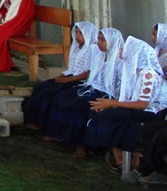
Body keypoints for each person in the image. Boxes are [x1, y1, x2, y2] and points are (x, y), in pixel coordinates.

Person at [86, 37, 167, 175]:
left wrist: (112, 103)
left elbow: (143, 104)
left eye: (125, 48)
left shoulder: (148, 74)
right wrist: (107, 103)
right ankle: (119, 158)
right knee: (99, 110)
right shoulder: (135, 71)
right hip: (139, 108)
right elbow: (130, 98)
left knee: (110, 115)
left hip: (151, 112)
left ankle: (125, 160)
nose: (121, 51)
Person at [44, 28, 123, 157]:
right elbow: (93, 76)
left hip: (106, 94)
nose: (99, 42)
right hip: (92, 87)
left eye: (103, 40)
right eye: (98, 39)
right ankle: (59, 134)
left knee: (80, 105)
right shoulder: (100, 56)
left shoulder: (119, 62)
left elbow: (118, 87)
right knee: (61, 97)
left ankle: (81, 146)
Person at [24, 21, 97, 135]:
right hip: (69, 77)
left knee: (50, 94)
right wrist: (63, 75)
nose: (77, 36)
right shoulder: (76, 47)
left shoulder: (92, 49)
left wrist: (67, 80)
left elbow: (88, 73)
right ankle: (34, 121)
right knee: (40, 88)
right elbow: (72, 68)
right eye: (76, 33)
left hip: (78, 81)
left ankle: (45, 126)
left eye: (81, 33)